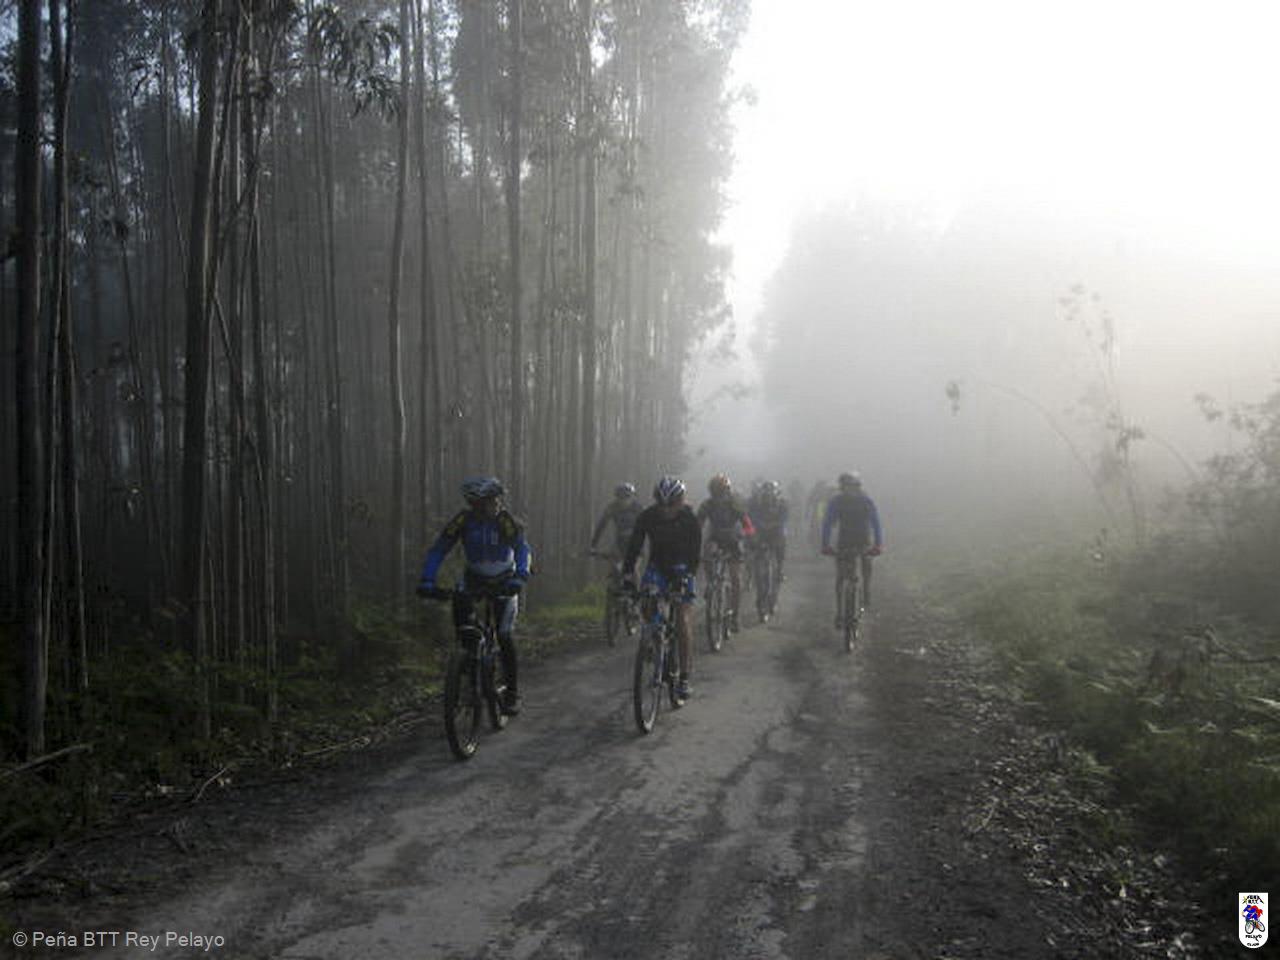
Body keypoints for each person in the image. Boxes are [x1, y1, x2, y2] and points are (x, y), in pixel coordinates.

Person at [417, 476, 533, 715]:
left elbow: (522, 548)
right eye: (493, 501)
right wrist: (427, 580)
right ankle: (468, 674)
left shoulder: (504, 520)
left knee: (504, 634)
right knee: (465, 632)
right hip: (474, 579)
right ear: (477, 504)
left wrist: (520, 576)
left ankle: (512, 693)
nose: (497, 505)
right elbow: (439, 549)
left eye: (498, 500)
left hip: (505, 579)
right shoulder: (463, 520)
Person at [622, 476, 701, 700]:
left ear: (681, 501)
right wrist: (627, 574)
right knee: (647, 602)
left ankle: (684, 677)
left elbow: (694, 554)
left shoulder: (689, 519)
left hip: (682, 568)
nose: (666, 509)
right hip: (657, 566)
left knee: (682, 618)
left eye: (671, 504)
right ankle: (652, 639)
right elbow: (634, 546)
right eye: (661, 504)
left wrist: (686, 576)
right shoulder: (647, 516)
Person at [821, 471, 884, 623]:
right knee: (842, 576)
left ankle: (866, 592)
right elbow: (827, 523)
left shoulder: (861, 501)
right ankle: (840, 611)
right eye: (846, 487)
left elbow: (876, 523)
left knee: (864, 568)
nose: (849, 489)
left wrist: (878, 544)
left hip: (860, 541)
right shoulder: (840, 501)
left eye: (852, 486)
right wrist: (825, 544)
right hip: (847, 541)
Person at [696, 473, 754, 632]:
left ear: (727, 491)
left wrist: (749, 536)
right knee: (707, 553)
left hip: (733, 541)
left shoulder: (734, 504)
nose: (719, 496)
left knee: (735, 577)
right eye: (716, 492)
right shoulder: (707, 505)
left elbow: (747, 523)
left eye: (721, 492)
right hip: (715, 539)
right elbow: (697, 524)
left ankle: (735, 615)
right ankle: (711, 583)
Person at [747, 479, 789, 590]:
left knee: (782, 543)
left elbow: (784, 518)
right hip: (761, 531)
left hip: (776, 531)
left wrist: (775, 524)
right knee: (755, 548)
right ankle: (754, 571)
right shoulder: (757, 503)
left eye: (771, 492)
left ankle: (780, 569)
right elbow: (752, 516)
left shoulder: (782, 503)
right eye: (767, 492)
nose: (769, 495)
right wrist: (759, 524)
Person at [590, 482, 643, 561]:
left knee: (631, 564)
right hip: (620, 542)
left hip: (635, 542)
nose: (624, 500)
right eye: (621, 497)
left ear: (632, 497)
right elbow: (601, 526)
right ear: (617, 497)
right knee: (616, 564)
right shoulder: (612, 508)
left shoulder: (638, 508)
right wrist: (593, 545)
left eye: (627, 497)